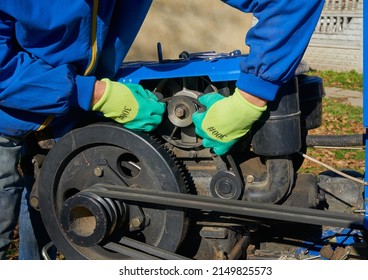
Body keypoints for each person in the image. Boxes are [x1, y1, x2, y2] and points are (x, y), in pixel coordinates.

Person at [0, 0, 324, 259]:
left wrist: (252, 97)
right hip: (7, 117)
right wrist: (94, 93)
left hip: (68, 125)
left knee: (52, 219)